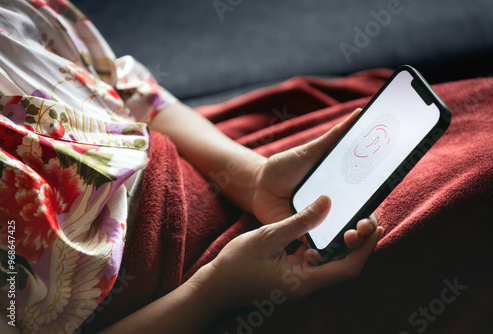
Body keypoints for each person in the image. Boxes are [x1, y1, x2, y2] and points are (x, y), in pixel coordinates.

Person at [0, 1, 383, 333]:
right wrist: (215, 291)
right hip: (187, 300)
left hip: (210, 166)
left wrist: (252, 178)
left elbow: (126, 91)